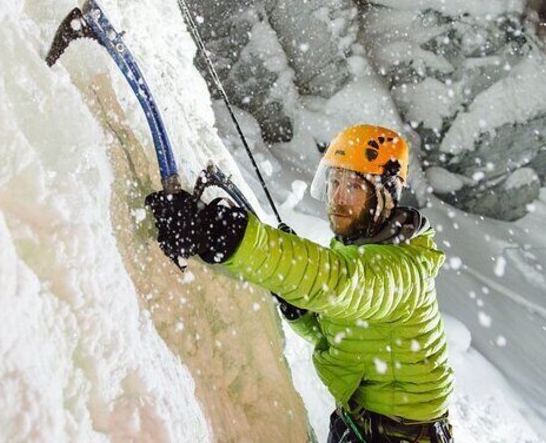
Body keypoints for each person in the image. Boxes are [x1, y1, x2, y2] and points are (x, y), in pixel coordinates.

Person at [145, 124, 454, 443]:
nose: (336, 198)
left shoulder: (403, 269)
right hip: (359, 426)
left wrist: (227, 235)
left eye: (352, 186)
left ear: (385, 196)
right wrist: (302, 314)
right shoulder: (356, 250)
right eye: (333, 182)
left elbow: (338, 283)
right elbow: (341, 333)